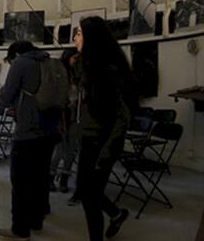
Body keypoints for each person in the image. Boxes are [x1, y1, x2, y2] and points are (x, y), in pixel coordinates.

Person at [0, 41, 63, 241]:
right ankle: (37, 220)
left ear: (15, 54)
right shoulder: (50, 62)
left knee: (21, 180)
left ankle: (20, 231)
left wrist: (6, 94)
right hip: (50, 130)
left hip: (28, 131)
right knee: (40, 177)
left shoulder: (21, 63)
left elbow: (6, 98)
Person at [75, 17, 131, 240]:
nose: (75, 38)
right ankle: (116, 214)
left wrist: (105, 155)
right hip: (89, 139)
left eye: (79, 33)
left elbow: (122, 116)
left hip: (102, 144)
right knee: (86, 191)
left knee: (90, 196)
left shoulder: (109, 70)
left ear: (92, 38)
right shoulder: (92, 66)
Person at [50, 48, 84, 201]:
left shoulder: (79, 75)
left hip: (75, 116)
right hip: (61, 115)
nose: (76, 61)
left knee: (71, 151)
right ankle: (50, 178)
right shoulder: (60, 73)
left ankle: (64, 178)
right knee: (58, 150)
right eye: (74, 58)